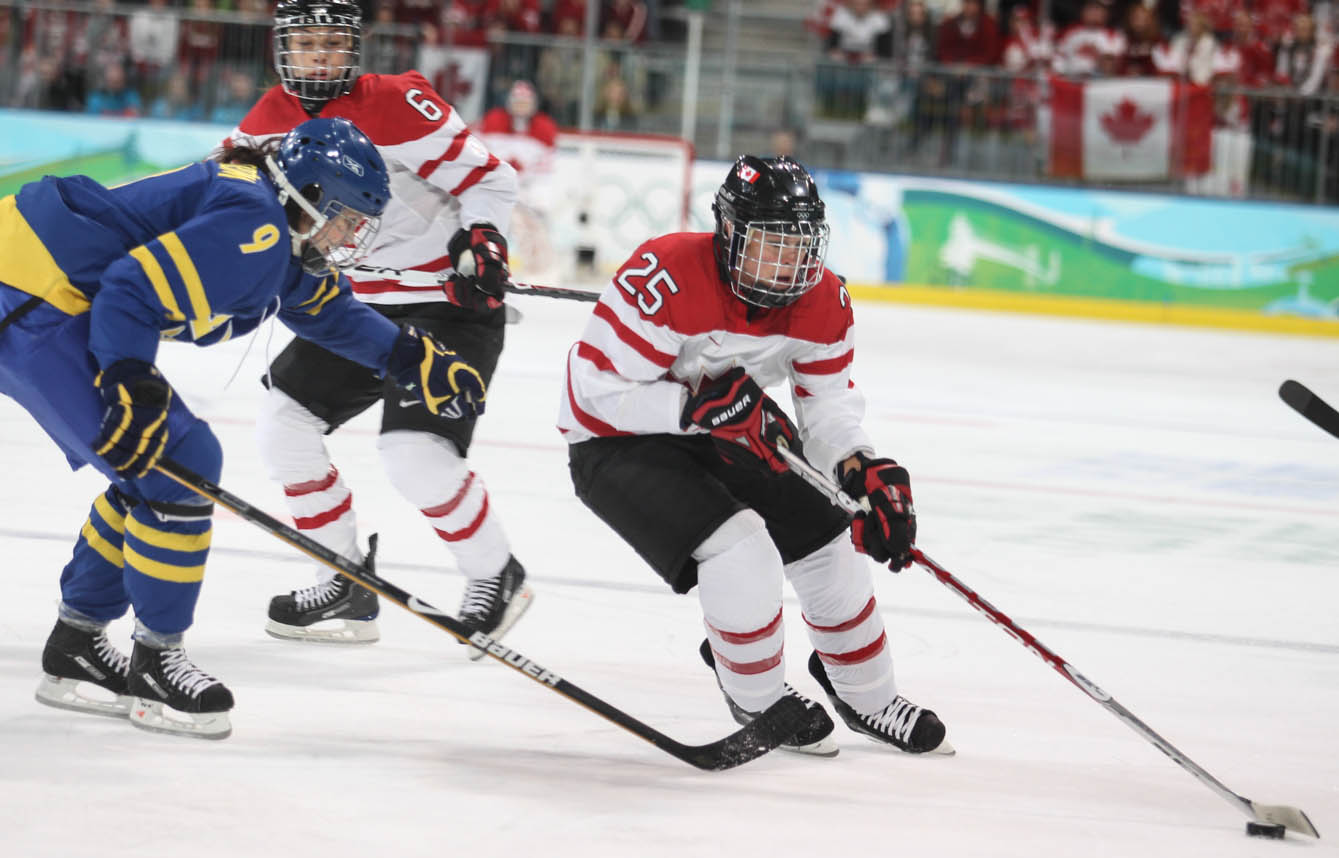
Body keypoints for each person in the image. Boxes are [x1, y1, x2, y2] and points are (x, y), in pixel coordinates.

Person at [0, 117, 487, 740]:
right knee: (183, 460)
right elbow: (129, 290)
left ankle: (77, 647)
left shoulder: (265, 217)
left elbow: (323, 309)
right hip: (29, 294)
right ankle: (156, 662)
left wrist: (408, 359)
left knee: (155, 466)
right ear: (312, 195)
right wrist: (130, 380)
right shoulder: (253, 223)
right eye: (345, 219)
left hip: (33, 282)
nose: (347, 236)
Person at [559, 156, 953, 757]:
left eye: (799, 246)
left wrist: (859, 466)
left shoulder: (823, 301)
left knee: (831, 538)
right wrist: (691, 410)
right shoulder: (664, 273)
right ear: (728, 232)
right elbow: (595, 393)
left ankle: (866, 695)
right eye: (770, 244)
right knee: (742, 551)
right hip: (616, 442)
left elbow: (827, 408)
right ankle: (758, 697)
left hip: (725, 427)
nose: (786, 264)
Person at [223, 0, 533, 650]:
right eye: (305, 45)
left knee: (412, 453)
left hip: (448, 304)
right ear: (282, 52)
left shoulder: (399, 101)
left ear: (354, 49)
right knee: (283, 425)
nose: (319, 58)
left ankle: (494, 574)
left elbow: (490, 179)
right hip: (355, 307)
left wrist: (483, 241)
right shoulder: (260, 129)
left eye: (332, 44)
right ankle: (342, 576)